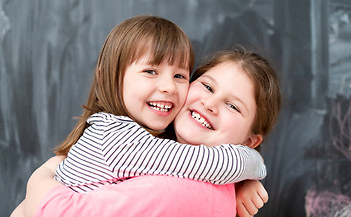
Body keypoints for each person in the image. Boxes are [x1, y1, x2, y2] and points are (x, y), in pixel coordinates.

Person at [11, 16, 276, 216]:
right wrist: (252, 163)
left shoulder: (180, 180)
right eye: (150, 71)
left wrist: (245, 178)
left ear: (251, 138)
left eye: (180, 76)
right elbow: (210, 163)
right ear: (111, 78)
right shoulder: (119, 138)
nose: (168, 87)